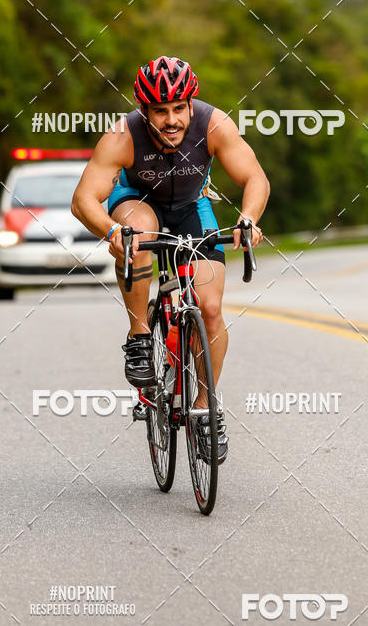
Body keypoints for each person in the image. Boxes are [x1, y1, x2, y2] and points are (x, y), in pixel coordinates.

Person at [71, 56, 270, 463]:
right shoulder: (122, 135)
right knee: (137, 234)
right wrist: (111, 232)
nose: (172, 120)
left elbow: (255, 178)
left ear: (191, 105)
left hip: (191, 208)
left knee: (211, 309)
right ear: (144, 111)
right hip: (136, 205)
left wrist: (247, 219)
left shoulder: (213, 125)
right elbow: (83, 200)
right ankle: (141, 336)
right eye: (160, 111)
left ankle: (204, 407)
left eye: (179, 108)